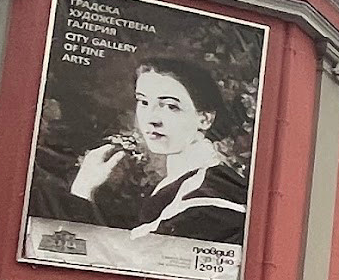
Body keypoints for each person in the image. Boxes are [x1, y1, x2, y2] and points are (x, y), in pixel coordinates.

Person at [68, 56, 249, 242]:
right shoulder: (177, 181)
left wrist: (82, 191)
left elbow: (129, 262)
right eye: (144, 102)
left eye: (171, 106)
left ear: (205, 119)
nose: (152, 119)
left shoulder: (207, 197)